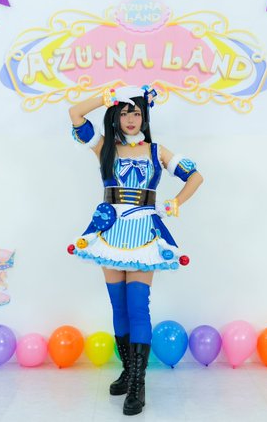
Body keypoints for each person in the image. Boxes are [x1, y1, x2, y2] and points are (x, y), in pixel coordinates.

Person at [67, 85, 203, 416]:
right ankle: (128, 371)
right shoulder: (104, 148)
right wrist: (105, 97)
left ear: (145, 117)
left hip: (144, 233)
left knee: (138, 306)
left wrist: (174, 203)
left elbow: (195, 177)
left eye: (137, 113)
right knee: (119, 307)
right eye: (125, 112)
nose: (131, 119)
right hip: (110, 232)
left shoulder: (157, 151)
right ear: (115, 116)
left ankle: (138, 383)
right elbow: (75, 114)